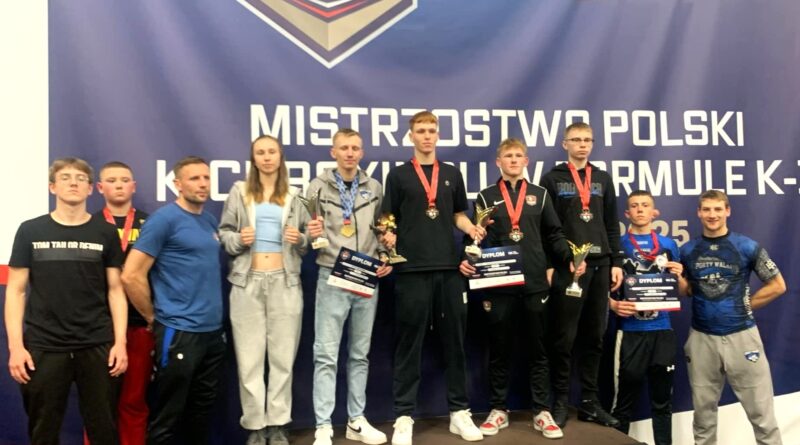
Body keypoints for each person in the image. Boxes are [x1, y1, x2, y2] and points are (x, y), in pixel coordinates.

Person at [458, 138, 577, 440]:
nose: (513, 160)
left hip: (535, 283)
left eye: (518, 155)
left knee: (539, 350)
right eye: (507, 156)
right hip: (499, 284)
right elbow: (474, 238)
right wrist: (467, 257)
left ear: (526, 161)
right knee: (499, 349)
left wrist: (570, 258)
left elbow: (554, 234)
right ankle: (498, 409)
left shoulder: (540, 194)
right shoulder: (486, 196)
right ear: (498, 162)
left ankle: (542, 411)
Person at [5, 157, 128, 445]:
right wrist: (16, 347)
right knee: (43, 431)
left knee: (104, 430)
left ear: (90, 189)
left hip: (97, 343)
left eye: (81, 179)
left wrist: (120, 343)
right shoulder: (30, 230)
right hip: (44, 344)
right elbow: (16, 291)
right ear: (52, 187)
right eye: (65, 178)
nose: (74, 183)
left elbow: (116, 290)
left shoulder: (105, 232)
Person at [382, 111, 486, 445]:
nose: (427, 136)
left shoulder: (452, 174)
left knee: (455, 343)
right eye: (420, 131)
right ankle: (403, 416)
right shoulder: (398, 175)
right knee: (408, 345)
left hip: (449, 270)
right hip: (411, 270)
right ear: (411, 136)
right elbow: (388, 218)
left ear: (438, 135)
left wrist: (471, 227)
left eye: (431, 130)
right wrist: (388, 234)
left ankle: (459, 412)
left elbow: (457, 215)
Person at [121, 156, 227, 445]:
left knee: (201, 412)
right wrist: (152, 317)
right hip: (179, 330)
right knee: (168, 414)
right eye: (194, 178)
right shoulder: (164, 220)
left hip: (212, 332)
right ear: (178, 184)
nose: (202, 184)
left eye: (206, 178)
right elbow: (131, 275)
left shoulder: (208, 221)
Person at [218, 135, 310, 445]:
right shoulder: (240, 192)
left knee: (283, 359)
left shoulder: (295, 195)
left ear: (280, 157)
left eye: (272, 152)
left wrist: (301, 239)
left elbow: (308, 242)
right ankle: (256, 425)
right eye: (261, 152)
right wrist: (237, 239)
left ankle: (279, 424)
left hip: (285, 281)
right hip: (248, 282)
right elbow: (224, 234)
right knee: (249, 361)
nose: (267, 157)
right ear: (253, 159)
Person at [305, 128, 392, 445]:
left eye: (355, 148)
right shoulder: (317, 187)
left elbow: (383, 231)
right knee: (326, 354)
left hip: (366, 276)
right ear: (333, 152)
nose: (350, 153)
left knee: (359, 354)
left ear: (362, 152)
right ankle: (323, 425)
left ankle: (356, 420)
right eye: (344, 148)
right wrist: (310, 231)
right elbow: (305, 233)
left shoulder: (375, 187)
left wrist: (385, 256)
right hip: (332, 273)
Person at [681, 189, 786, 445]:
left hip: (742, 336)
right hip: (702, 338)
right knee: (703, 417)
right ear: (699, 212)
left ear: (727, 211)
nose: (712, 215)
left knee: (762, 415)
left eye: (718, 209)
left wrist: (745, 305)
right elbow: (689, 291)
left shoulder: (747, 246)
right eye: (707, 209)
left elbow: (778, 285)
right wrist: (679, 280)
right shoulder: (687, 250)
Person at [539, 121, 623, 428]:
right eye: (576, 140)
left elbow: (611, 223)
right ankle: (560, 400)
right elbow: (547, 227)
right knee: (564, 337)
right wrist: (551, 264)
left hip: (600, 265)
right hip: (568, 267)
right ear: (565, 144)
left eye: (587, 140)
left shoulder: (602, 178)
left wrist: (616, 261)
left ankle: (589, 402)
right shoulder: (552, 179)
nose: (582, 145)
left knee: (595, 336)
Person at [608, 190, 686, 445]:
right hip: (630, 332)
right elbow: (598, 287)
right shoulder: (617, 245)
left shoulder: (669, 245)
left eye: (645, 205)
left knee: (662, 402)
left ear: (655, 212)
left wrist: (679, 276)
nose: (640, 209)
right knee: (623, 403)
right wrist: (613, 304)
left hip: (662, 331)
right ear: (627, 213)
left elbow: (682, 290)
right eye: (634, 206)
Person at [92, 161, 151, 445]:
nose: (118, 185)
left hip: (139, 323)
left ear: (134, 186)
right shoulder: (89, 224)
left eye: (125, 180)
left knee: (134, 401)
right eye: (112, 180)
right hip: (97, 326)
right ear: (99, 187)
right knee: (97, 403)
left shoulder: (151, 224)